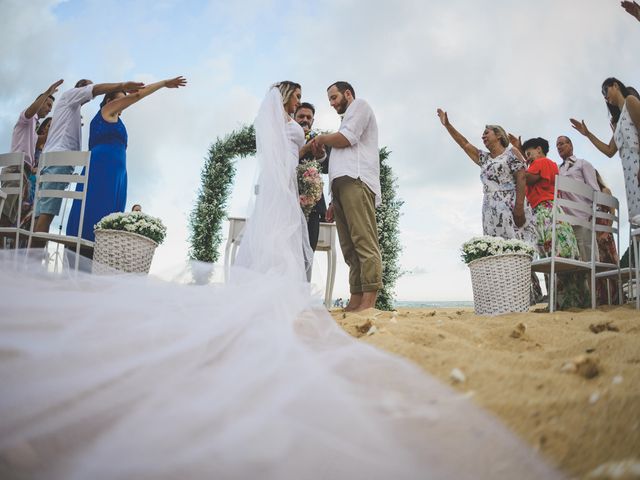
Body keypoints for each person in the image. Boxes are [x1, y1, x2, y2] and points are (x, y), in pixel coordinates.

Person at [0, 84, 562, 480]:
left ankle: (318, 292)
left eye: (315, 104)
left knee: (296, 254)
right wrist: (307, 153)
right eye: (300, 103)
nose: (306, 110)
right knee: (289, 257)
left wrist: (309, 156)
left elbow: (310, 153)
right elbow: (298, 155)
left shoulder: (304, 129)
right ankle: (313, 293)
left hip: (299, 201)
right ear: (288, 105)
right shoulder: (293, 131)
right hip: (291, 200)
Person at [65, 76, 187, 244]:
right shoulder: (106, 111)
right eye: (121, 100)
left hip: (118, 174)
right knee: (95, 212)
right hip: (101, 170)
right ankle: (85, 250)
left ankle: (103, 257)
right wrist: (163, 83)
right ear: (109, 101)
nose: (125, 103)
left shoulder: (116, 119)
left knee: (112, 218)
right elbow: (136, 95)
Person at [32, 79, 145, 242]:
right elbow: (95, 90)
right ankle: (34, 264)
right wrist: (121, 86)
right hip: (58, 161)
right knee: (46, 215)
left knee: (39, 216)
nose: (91, 95)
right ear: (80, 88)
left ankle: (30, 260)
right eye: (88, 88)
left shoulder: (72, 110)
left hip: (52, 160)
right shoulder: (70, 96)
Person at [312, 82, 382, 312]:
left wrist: (321, 138)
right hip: (341, 186)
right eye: (330, 100)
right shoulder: (345, 120)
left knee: (363, 240)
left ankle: (369, 300)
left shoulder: (360, 106)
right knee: (349, 246)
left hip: (357, 179)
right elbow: (338, 156)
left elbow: (346, 139)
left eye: (334, 98)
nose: (332, 104)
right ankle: (355, 297)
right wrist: (332, 199)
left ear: (348, 94)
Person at [436, 109, 536, 244]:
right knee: (495, 250)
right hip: (490, 209)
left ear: (499, 135)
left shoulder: (511, 152)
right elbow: (464, 144)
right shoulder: (484, 158)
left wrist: (519, 208)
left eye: (486, 133)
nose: (483, 137)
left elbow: (521, 177)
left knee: (517, 248)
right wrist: (447, 125)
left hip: (511, 207)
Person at [515, 136, 586, 309]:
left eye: (529, 153)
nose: (528, 158)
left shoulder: (542, 162)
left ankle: (561, 301)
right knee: (556, 256)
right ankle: (567, 300)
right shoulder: (550, 164)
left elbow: (525, 178)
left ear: (539, 149)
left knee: (551, 257)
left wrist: (519, 163)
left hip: (546, 213)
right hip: (551, 212)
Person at [570, 77, 640, 223]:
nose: (605, 97)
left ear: (615, 85)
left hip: (638, 164)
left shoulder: (631, 101)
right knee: (637, 220)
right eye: (603, 96)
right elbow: (609, 151)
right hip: (629, 174)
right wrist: (588, 134)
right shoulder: (619, 121)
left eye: (605, 90)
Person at [0, 80, 62, 236]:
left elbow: (40, 140)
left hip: (24, 172)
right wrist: (47, 92)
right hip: (16, 168)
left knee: (11, 216)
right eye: (48, 105)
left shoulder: (33, 128)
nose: (49, 110)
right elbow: (31, 110)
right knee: (5, 213)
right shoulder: (26, 118)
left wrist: (59, 126)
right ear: (39, 102)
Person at [555, 135, 601, 261]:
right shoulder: (557, 169)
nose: (559, 147)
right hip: (565, 221)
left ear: (571, 145)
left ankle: (593, 281)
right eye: (557, 145)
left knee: (588, 257)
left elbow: (594, 190)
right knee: (571, 259)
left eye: (562, 143)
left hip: (582, 217)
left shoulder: (582, 164)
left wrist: (594, 213)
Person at [294, 102, 329, 252]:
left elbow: (327, 167)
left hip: (313, 208)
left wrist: (321, 156)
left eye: (309, 117)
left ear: (313, 121)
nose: (305, 120)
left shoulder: (318, 140)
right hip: (288, 202)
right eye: (301, 116)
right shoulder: (285, 140)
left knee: (308, 251)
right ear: (293, 118)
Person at [594, 170, 623, 305]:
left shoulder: (604, 190)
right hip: (593, 234)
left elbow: (612, 212)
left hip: (605, 231)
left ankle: (617, 296)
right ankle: (603, 299)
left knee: (610, 264)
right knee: (597, 265)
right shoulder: (588, 194)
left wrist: (607, 231)